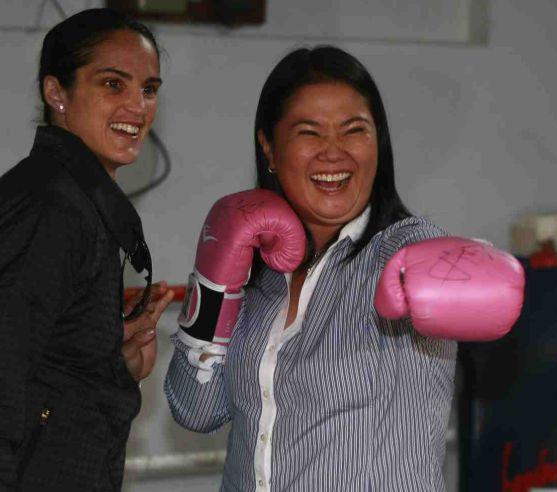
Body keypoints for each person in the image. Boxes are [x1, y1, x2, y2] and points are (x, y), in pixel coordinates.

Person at [164, 46, 525, 491]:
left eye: (354, 131)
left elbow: (484, 280)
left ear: (379, 143)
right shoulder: (258, 275)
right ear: (270, 150)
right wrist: (214, 281)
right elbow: (194, 410)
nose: (333, 153)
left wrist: (475, 273)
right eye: (309, 133)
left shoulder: (404, 253)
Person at [0, 8, 174, 491]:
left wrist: (108, 359)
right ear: (57, 93)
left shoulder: (71, 201)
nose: (137, 107)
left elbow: (43, 385)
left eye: (149, 89)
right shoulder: (46, 207)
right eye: (113, 85)